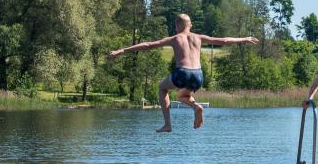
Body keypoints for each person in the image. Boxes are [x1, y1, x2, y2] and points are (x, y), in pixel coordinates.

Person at [108, 13, 258, 132]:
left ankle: (167, 125)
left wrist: (122, 50)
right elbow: (224, 41)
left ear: (177, 25)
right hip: (198, 75)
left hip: (182, 72)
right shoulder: (199, 37)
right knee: (182, 96)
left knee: (162, 88)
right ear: (189, 25)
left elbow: (148, 45)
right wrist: (244, 38)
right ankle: (196, 107)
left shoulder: (175, 38)